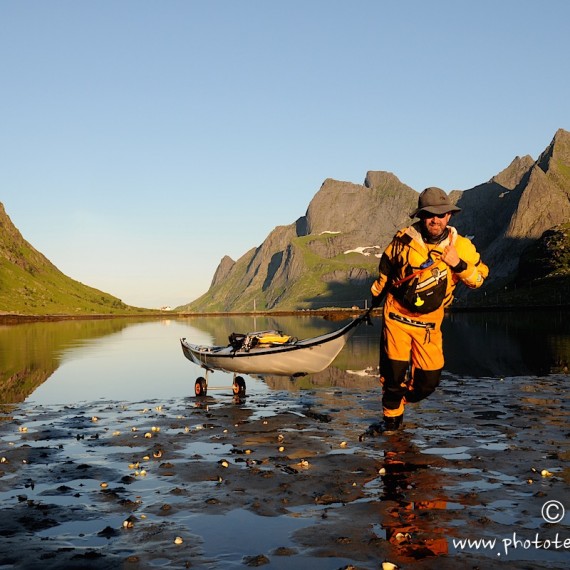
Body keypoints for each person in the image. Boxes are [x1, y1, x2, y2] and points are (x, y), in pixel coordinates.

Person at [367, 186, 489, 433]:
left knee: (428, 382)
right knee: (393, 378)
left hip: (429, 325)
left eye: (441, 214)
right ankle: (392, 428)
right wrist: (372, 303)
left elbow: (478, 280)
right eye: (429, 214)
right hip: (397, 318)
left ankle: (400, 399)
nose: (435, 219)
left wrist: (459, 264)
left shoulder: (462, 247)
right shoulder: (402, 241)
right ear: (421, 216)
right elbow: (385, 272)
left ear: (449, 216)